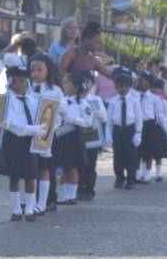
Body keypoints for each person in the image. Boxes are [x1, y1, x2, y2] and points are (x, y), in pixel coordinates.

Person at [0, 66, 42, 221]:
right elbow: (10, 123)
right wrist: (31, 129)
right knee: (13, 175)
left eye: (22, 81)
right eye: (15, 82)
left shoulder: (33, 101)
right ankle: (16, 208)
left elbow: (41, 118)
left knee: (30, 175)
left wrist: (42, 128)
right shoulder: (7, 100)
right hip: (13, 139)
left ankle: (29, 208)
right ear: (10, 83)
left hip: (29, 141)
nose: (19, 85)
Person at [30, 54, 65, 215]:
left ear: (48, 71)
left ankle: (44, 202)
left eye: (40, 70)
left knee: (45, 168)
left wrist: (53, 120)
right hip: (30, 133)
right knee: (32, 169)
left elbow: (63, 110)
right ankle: (32, 200)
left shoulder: (55, 90)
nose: (35, 73)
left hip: (49, 134)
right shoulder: (27, 87)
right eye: (32, 70)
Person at [53, 71, 94, 205]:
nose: (64, 85)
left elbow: (88, 122)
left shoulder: (83, 103)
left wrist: (72, 119)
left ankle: (72, 195)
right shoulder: (61, 100)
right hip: (61, 134)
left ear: (75, 87)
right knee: (64, 165)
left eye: (67, 83)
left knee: (72, 166)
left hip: (73, 135)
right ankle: (66, 194)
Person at [108, 69, 142, 189]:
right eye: (120, 86)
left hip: (130, 130)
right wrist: (108, 135)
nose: (122, 89)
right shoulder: (112, 102)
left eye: (125, 86)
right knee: (118, 156)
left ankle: (131, 179)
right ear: (116, 87)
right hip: (118, 129)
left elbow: (138, 119)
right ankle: (119, 178)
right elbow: (109, 121)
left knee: (131, 156)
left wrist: (138, 133)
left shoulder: (134, 101)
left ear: (130, 87)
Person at [78, 71, 109, 201]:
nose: (85, 85)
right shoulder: (76, 98)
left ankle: (89, 189)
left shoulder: (96, 99)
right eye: (83, 82)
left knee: (91, 164)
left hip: (93, 136)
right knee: (79, 164)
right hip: (78, 137)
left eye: (88, 82)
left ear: (92, 84)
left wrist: (93, 110)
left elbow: (104, 116)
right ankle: (78, 188)